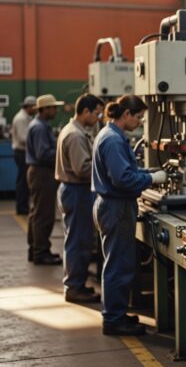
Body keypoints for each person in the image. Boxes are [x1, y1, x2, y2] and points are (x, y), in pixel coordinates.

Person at [92, 95, 167, 335]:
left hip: (114, 205)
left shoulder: (110, 135)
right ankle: (113, 321)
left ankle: (116, 314)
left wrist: (148, 172)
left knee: (117, 263)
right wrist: (151, 179)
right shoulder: (113, 140)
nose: (140, 122)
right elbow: (123, 179)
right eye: (139, 117)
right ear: (126, 115)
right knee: (118, 266)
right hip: (117, 207)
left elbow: (127, 170)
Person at [56, 94, 104, 303]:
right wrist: (105, 166)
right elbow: (82, 169)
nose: (98, 118)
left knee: (76, 239)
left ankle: (75, 284)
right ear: (85, 111)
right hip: (77, 191)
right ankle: (74, 287)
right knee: (78, 241)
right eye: (97, 113)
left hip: (74, 190)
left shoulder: (73, 130)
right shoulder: (75, 135)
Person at [26, 94, 65, 265]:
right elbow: (43, 154)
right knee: (44, 215)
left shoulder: (40, 125)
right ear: (45, 109)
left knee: (36, 213)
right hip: (42, 173)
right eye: (53, 108)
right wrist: (62, 153)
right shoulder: (40, 128)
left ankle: (35, 249)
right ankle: (41, 252)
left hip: (39, 172)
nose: (56, 111)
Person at [11, 96, 36, 215]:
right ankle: (21, 207)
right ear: (29, 107)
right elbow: (22, 138)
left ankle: (23, 205)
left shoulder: (25, 118)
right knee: (23, 181)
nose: (35, 110)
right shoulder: (21, 119)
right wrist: (36, 141)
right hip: (21, 153)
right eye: (34, 107)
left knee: (24, 180)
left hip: (22, 152)